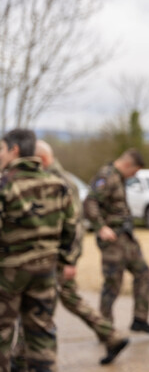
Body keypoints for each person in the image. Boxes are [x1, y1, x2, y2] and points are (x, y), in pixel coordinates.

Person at [31, 141, 130, 365]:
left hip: (56, 257)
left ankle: (40, 360)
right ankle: (112, 336)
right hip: (49, 256)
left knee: (42, 308)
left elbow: (74, 224)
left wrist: (70, 259)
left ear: (43, 159)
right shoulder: (50, 178)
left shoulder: (60, 181)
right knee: (70, 300)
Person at [0, 129, 78, 371]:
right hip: (45, 271)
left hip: (8, 274)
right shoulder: (58, 184)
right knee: (42, 333)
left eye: (1, 149)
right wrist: (64, 260)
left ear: (14, 150)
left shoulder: (5, 185)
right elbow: (70, 228)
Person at [83, 149, 149, 335]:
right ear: (128, 165)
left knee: (143, 273)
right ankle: (105, 328)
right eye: (134, 172)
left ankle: (140, 320)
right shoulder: (106, 176)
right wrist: (100, 227)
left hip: (126, 237)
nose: (133, 175)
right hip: (113, 240)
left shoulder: (118, 177)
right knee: (113, 283)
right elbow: (90, 202)